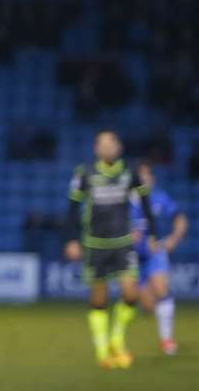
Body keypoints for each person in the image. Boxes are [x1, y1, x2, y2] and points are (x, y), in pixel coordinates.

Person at [64, 131, 158, 369]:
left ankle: (117, 339)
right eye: (103, 144)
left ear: (119, 147)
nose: (108, 147)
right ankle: (102, 349)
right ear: (97, 149)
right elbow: (72, 209)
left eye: (112, 143)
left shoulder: (130, 171)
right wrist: (71, 240)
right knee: (99, 298)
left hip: (123, 242)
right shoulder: (84, 173)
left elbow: (146, 202)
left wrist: (154, 234)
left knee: (130, 293)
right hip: (96, 245)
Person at [132, 162, 186, 356]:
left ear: (152, 179)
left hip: (155, 252)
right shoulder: (124, 202)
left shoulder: (160, 198)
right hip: (132, 257)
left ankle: (167, 340)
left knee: (161, 288)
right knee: (147, 305)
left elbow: (180, 218)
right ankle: (152, 310)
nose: (144, 180)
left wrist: (174, 238)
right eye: (141, 176)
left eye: (147, 176)